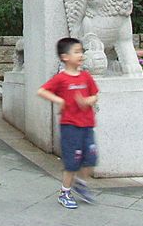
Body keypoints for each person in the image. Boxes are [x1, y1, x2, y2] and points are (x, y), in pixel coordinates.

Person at [37, 37, 99, 209]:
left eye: (81, 51)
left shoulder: (86, 76)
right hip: (70, 126)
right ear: (65, 57)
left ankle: (80, 183)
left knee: (91, 159)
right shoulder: (61, 78)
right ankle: (65, 192)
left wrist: (88, 101)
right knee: (72, 162)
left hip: (87, 125)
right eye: (77, 52)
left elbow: (95, 94)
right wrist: (60, 101)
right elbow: (42, 91)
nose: (81, 55)